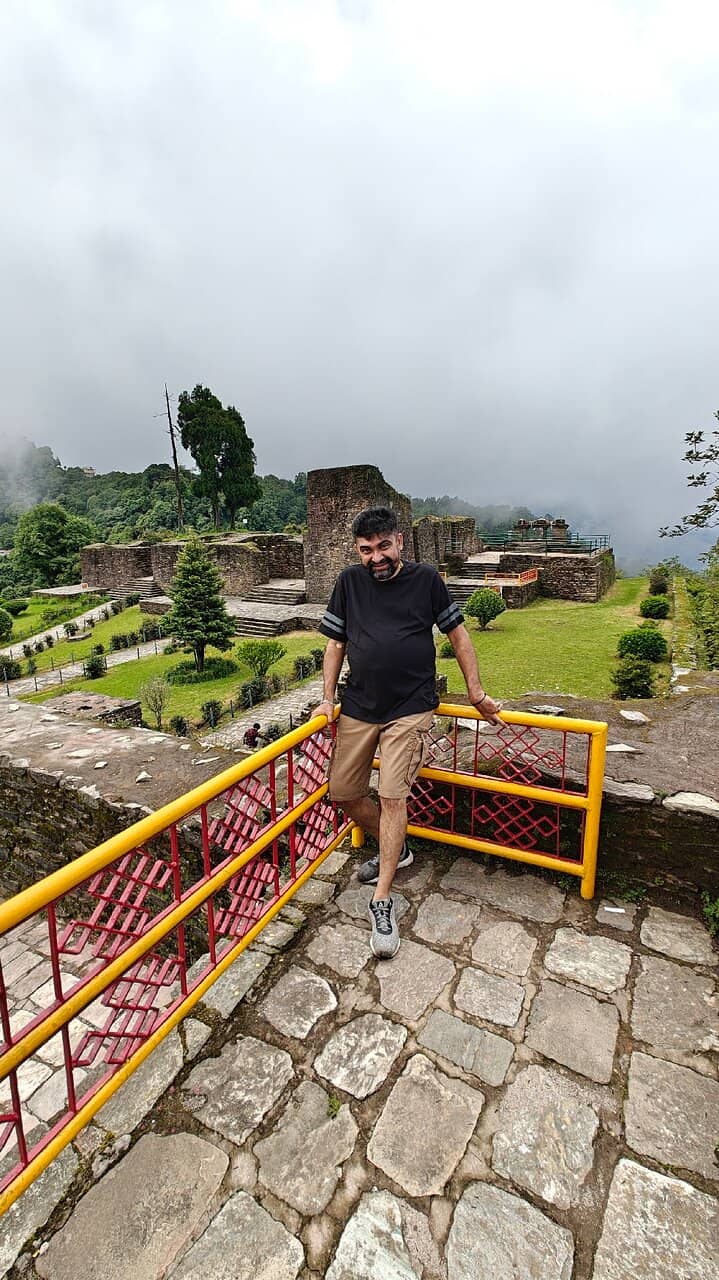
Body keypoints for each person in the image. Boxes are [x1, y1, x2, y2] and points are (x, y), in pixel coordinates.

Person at [313, 505, 502, 960]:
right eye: (365, 550)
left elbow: (458, 637)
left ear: (400, 541)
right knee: (342, 793)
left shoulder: (427, 581)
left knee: (393, 793)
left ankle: (382, 898)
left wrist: (476, 693)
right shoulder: (349, 583)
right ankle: (397, 850)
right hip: (359, 704)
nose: (375, 557)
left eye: (382, 546)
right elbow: (335, 643)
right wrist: (326, 698)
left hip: (411, 706)